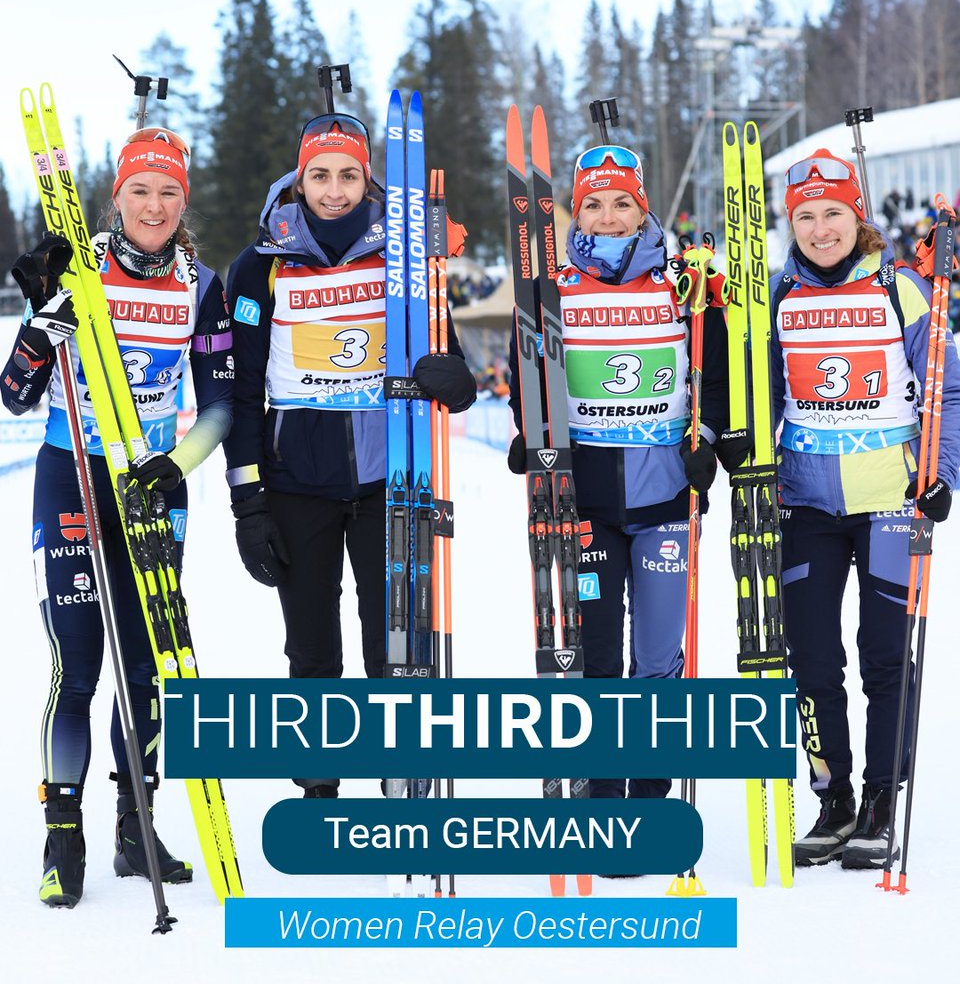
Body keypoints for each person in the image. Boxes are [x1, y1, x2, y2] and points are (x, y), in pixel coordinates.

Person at [1, 127, 234, 909]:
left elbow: (226, 403)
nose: (156, 205)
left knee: (150, 665)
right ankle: (61, 837)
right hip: (72, 473)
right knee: (78, 662)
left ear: (184, 200)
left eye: (169, 191)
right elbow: (13, 394)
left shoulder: (201, 285)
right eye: (142, 189)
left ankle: (135, 827)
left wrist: (179, 465)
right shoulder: (74, 266)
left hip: (155, 482)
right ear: (117, 195)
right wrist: (41, 329)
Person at [224, 113, 475, 799]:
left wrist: (455, 374)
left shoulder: (404, 257)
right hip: (295, 483)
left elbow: (441, 352)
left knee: (392, 648)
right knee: (311, 650)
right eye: (320, 175)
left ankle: (404, 781)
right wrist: (247, 503)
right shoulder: (259, 266)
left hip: (388, 479)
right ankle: (319, 790)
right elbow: (242, 394)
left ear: (368, 180)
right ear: (299, 180)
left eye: (349, 175)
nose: (334, 190)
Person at [507, 144, 728, 810]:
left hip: (665, 490)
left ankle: (651, 793)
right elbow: (529, 372)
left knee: (658, 656)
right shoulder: (553, 284)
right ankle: (604, 792)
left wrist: (709, 442)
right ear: (578, 209)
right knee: (597, 653)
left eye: (621, 203)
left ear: (642, 208)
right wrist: (533, 434)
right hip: (586, 496)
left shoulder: (683, 282)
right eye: (594, 203)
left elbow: (713, 376)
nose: (607, 217)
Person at [770, 149, 960, 870]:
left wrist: (940, 473)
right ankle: (835, 797)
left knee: (886, 658)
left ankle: (883, 797)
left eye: (834, 214)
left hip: (890, 500)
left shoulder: (901, 289)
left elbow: (948, 389)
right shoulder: (780, 297)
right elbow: (767, 400)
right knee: (812, 660)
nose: (821, 230)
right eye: (807, 217)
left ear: (859, 217)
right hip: (808, 505)